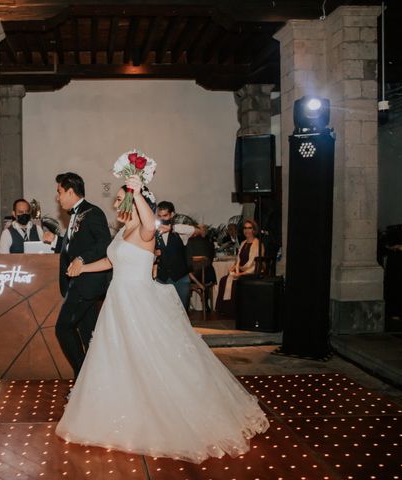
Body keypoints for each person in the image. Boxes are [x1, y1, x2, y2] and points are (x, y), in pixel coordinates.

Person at [56, 175, 269, 463]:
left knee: (152, 359)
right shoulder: (121, 233)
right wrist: (84, 268)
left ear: (134, 200)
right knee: (118, 359)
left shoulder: (145, 232)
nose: (116, 204)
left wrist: (135, 188)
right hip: (117, 303)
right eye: (118, 199)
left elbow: (147, 218)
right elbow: (111, 261)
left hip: (138, 303)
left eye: (121, 199)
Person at [54, 172, 111, 378]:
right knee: (90, 336)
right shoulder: (75, 215)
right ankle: (96, 381)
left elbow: (105, 243)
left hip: (87, 283)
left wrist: (82, 259)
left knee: (63, 328)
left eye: (59, 192)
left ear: (70, 191)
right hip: (77, 283)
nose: (58, 197)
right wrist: (56, 243)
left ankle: (82, 376)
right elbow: (73, 245)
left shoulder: (93, 212)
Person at [154, 201, 197, 309]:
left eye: (165, 215)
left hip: (180, 278)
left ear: (172, 215)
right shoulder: (154, 232)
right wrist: (153, 253)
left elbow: (196, 230)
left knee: (181, 311)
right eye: (159, 216)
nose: (162, 218)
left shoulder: (180, 231)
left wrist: (172, 229)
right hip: (162, 278)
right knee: (163, 311)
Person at [215, 219, 262, 317]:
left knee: (234, 282)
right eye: (245, 228)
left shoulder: (258, 244)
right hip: (240, 270)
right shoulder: (243, 243)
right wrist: (233, 268)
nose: (247, 230)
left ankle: (235, 312)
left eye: (249, 228)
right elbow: (238, 260)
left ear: (254, 230)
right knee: (224, 280)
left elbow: (255, 265)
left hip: (251, 272)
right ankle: (225, 311)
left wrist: (240, 274)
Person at [187, 224, 217, 312]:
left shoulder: (189, 242)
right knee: (208, 270)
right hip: (205, 276)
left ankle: (187, 303)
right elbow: (210, 260)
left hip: (191, 276)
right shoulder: (209, 243)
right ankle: (206, 303)